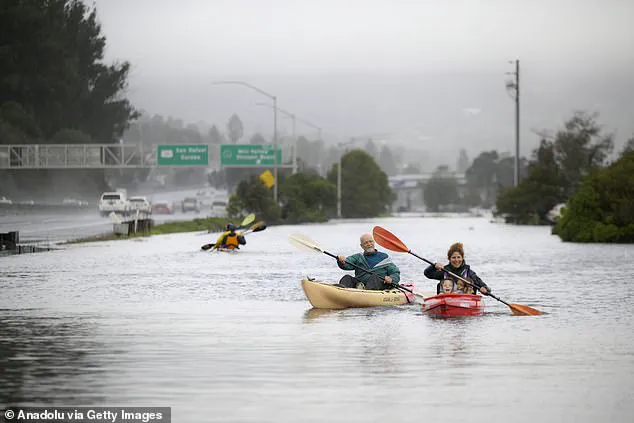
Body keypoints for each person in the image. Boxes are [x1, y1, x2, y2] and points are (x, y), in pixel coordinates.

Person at [336, 233, 401, 290]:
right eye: (366, 243)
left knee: (374, 277)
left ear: (374, 243)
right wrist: (341, 261)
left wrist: (391, 278)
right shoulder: (358, 257)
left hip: (379, 285)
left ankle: (366, 293)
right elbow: (347, 263)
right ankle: (341, 292)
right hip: (360, 284)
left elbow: (395, 272)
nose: (369, 244)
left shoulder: (384, 257)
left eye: (370, 241)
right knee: (347, 277)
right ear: (362, 246)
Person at [424, 242, 491, 295]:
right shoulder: (444, 271)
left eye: (459, 257)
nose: (456, 260)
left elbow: (486, 289)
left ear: (462, 258)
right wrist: (433, 266)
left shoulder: (469, 273)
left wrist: (485, 289)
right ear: (449, 259)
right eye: (453, 257)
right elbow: (427, 273)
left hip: (467, 303)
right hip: (447, 302)